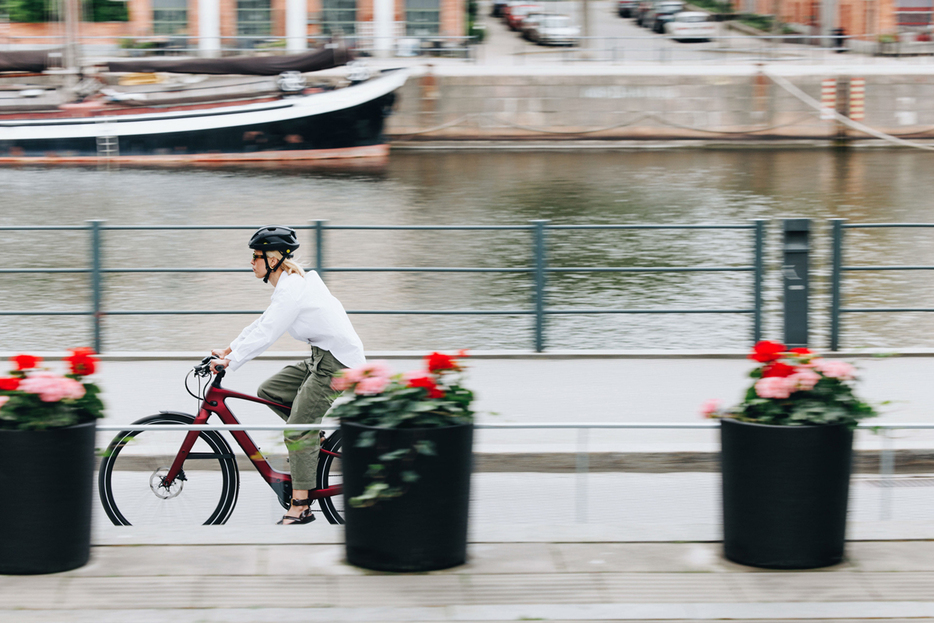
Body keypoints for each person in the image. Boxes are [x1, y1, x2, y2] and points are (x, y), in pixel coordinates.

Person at [210, 225, 365, 525]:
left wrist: (232, 362)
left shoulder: (291, 291)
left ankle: (301, 505)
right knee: (270, 391)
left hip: (338, 364)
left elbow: (267, 333)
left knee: (296, 430)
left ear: (273, 259)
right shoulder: (288, 286)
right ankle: (312, 441)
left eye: (256, 256)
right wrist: (228, 351)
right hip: (321, 357)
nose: (251, 262)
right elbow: (263, 323)